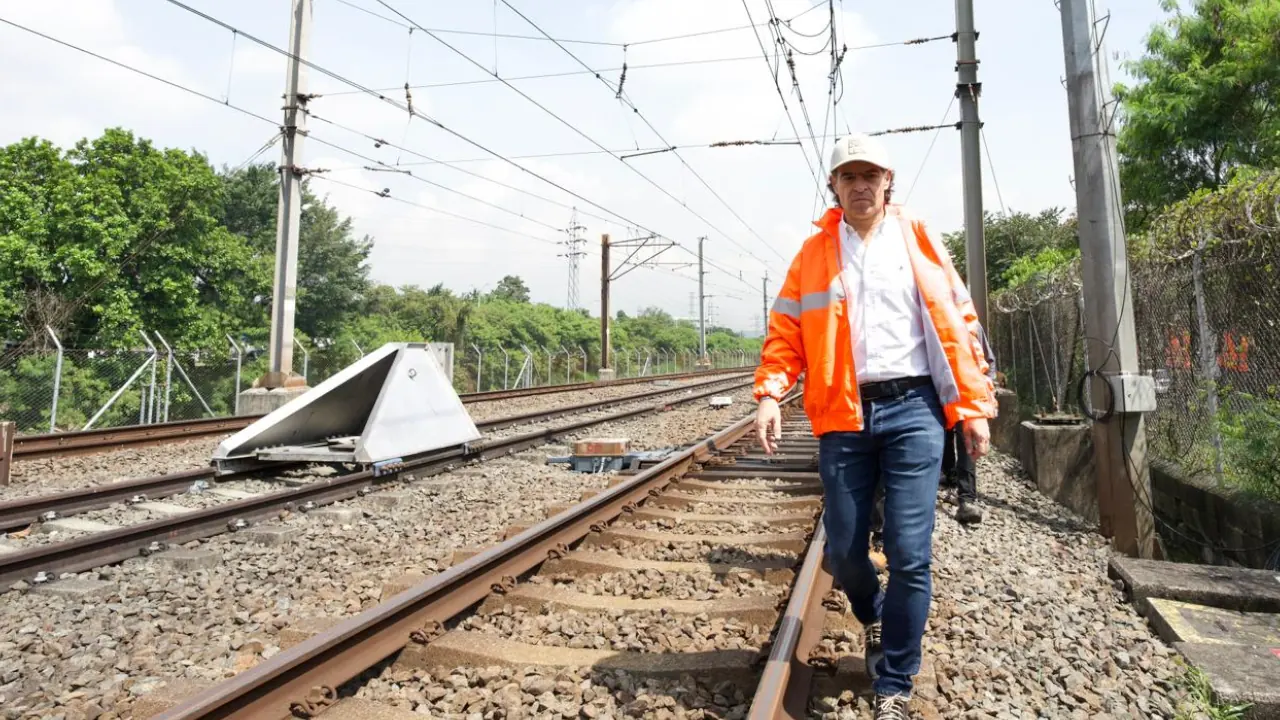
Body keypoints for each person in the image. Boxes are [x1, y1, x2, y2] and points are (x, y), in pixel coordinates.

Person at [753, 133, 996, 718]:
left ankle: (895, 681)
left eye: (870, 175)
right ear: (833, 186)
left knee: (910, 553)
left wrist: (972, 406)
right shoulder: (813, 253)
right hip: (843, 411)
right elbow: (786, 331)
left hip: (914, 408)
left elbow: (959, 321)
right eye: (849, 176)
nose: (860, 185)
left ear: (888, 182)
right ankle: (874, 612)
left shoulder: (918, 238)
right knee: (844, 551)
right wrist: (769, 393)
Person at [941, 323, 997, 525]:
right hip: (941, 390)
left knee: (965, 442)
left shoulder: (969, 322)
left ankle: (966, 499)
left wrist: (986, 392)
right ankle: (950, 475)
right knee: (945, 436)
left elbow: (987, 360)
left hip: (965, 392)